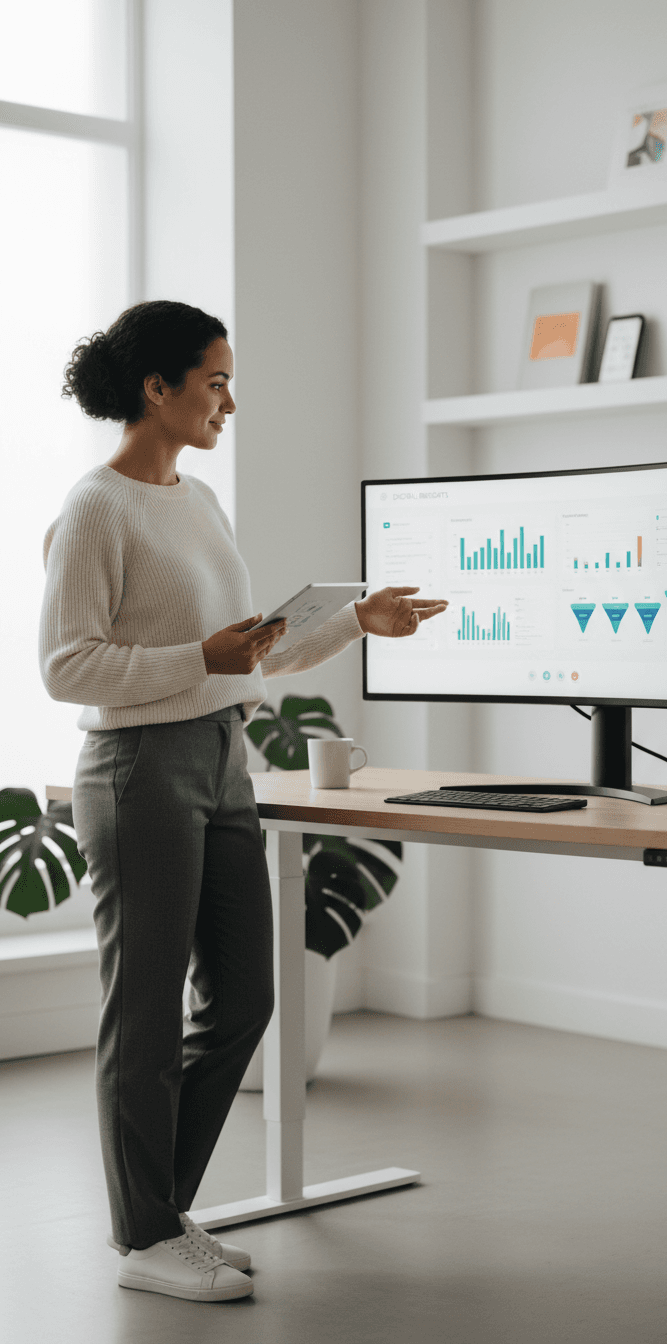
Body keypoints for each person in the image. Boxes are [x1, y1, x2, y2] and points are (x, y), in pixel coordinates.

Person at [39, 299, 447, 1304]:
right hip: (139, 772)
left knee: (247, 997)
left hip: (222, 761)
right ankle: (146, 1234)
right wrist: (200, 656)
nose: (231, 399)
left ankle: (159, 1214)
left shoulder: (201, 500)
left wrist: (356, 618)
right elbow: (65, 666)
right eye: (216, 380)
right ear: (157, 388)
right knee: (143, 1015)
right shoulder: (94, 508)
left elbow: (244, 656)